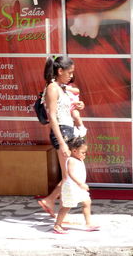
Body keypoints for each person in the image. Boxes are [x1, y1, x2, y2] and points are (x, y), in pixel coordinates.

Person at [38, 56, 84, 218]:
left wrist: (78, 106)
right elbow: (52, 116)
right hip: (62, 133)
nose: (71, 76)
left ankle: (55, 206)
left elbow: (66, 108)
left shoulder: (60, 87)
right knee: (69, 176)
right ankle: (51, 202)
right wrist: (63, 144)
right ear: (60, 71)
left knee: (70, 175)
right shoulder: (52, 88)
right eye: (69, 72)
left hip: (68, 131)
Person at [53, 137, 99, 234]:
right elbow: (70, 173)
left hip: (79, 187)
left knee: (87, 202)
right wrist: (80, 183)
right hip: (71, 187)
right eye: (83, 152)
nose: (85, 154)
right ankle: (57, 225)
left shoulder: (79, 159)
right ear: (74, 151)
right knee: (67, 206)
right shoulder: (71, 160)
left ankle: (88, 223)